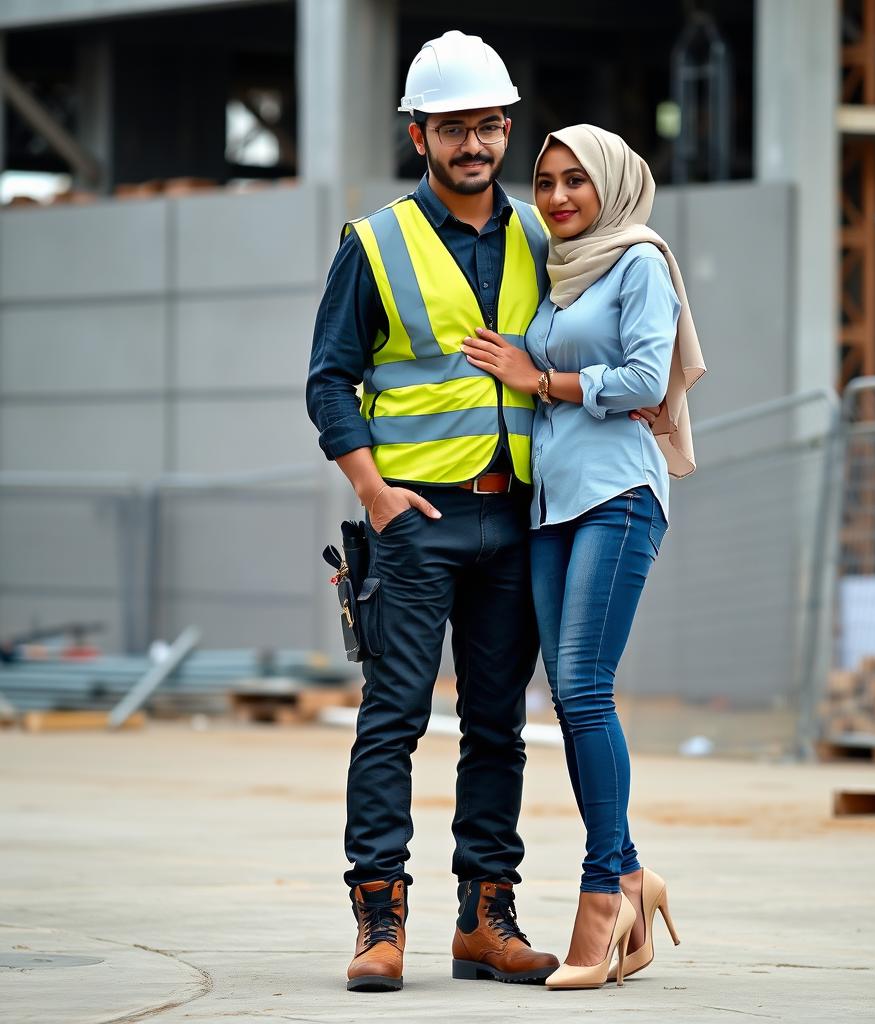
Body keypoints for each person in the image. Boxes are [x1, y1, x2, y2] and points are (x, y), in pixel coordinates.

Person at [305, 30, 559, 992]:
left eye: (490, 125)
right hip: (414, 524)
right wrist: (374, 495)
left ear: (506, 129)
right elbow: (330, 381)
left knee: (498, 727)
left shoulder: (544, 234)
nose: (475, 144)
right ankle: (380, 923)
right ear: (420, 134)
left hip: (515, 518)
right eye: (454, 128)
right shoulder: (374, 244)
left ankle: (484, 921)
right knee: (393, 720)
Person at [460, 124, 706, 990]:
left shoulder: (639, 261)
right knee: (566, 696)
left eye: (577, 182)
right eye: (548, 181)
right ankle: (634, 875)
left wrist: (547, 380)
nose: (559, 198)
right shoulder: (563, 276)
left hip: (618, 497)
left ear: (613, 185)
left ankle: (606, 891)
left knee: (586, 688)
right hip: (550, 504)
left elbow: (646, 378)